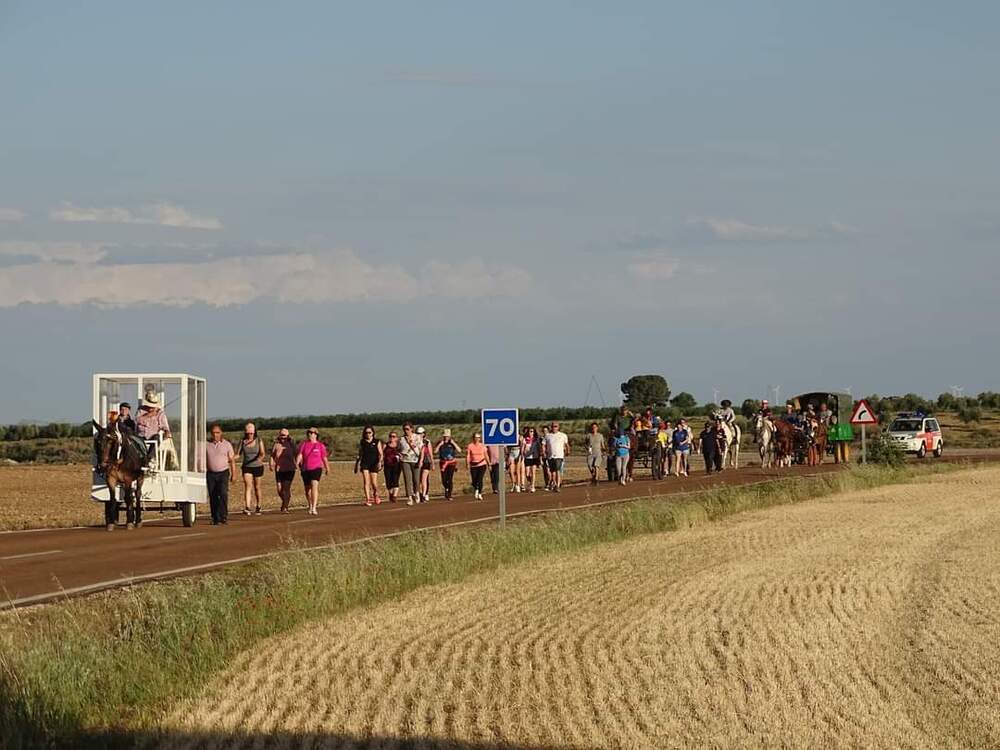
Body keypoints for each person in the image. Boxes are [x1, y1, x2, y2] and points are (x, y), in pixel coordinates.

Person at [204, 424, 236, 525]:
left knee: (223, 493)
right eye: (213, 433)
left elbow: (232, 460)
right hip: (211, 474)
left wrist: (234, 474)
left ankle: (223, 516)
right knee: (213, 495)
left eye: (217, 432)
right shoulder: (206, 444)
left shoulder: (227, 445)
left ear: (221, 433)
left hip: (223, 472)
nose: (215, 435)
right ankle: (215, 517)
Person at [296, 428, 330, 515]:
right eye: (309, 432)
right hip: (305, 468)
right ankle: (310, 505)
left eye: (312, 433)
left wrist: (327, 468)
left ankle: (314, 507)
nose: (310, 434)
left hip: (317, 468)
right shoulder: (303, 444)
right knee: (307, 490)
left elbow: (324, 458)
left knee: (314, 485)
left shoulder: (320, 446)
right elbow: (300, 455)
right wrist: (296, 463)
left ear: (316, 434)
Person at [237, 422, 266, 515]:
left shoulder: (258, 440)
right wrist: (229, 459)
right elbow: (238, 454)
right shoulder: (242, 442)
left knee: (257, 487)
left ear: (254, 432)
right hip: (247, 467)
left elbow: (262, 453)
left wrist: (259, 458)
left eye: (251, 433)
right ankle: (247, 507)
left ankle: (259, 505)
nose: (250, 435)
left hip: (257, 466)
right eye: (248, 433)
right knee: (248, 486)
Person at [136, 390, 171, 462]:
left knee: (156, 437)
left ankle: (149, 458)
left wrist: (166, 432)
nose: (151, 408)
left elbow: (165, 426)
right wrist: (148, 415)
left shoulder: (160, 413)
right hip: (141, 436)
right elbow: (136, 420)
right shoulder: (141, 410)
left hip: (152, 435)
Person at [269, 428, 297, 513]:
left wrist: (298, 463)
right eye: (281, 435)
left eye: (284, 435)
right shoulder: (276, 444)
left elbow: (297, 454)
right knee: (279, 489)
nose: (282, 437)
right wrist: (271, 464)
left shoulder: (291, 444)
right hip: (279, 469)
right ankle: (286, 500)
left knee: (285, 488)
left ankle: (285, 507)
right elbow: (272, 455)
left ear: (288, 436)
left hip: (289, 469)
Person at [355, 426, 383, 507]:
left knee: (374, 483)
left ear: (373, 433)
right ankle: (368, 498)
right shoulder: (362, 442)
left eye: (369, 432)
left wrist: (380, 462)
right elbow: (360, 453)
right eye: (366, 433)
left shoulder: (377, 441)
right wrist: (357, 464)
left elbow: (380, 453)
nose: (368, 434)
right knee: (366, 482)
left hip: (374, 463)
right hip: (365, 463)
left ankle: (376, 494)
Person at [434, 429, 461, 501]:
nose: (446, 438)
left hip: (451, 463)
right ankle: (446, 488)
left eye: (447, 436)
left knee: (450, 478)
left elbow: (459, 450)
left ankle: (449, 494)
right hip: (443, 463)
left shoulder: (452, 443)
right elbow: (435, 451)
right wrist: (440, 444)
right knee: (444, 479)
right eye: (445, 436)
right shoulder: (440, 443)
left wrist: (454, 443)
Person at [399, 423, 422, 505]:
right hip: (405, 461)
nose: (406, 431)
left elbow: (421, 449)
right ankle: (409, 497)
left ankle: (417, 493)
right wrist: (400, 455)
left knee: (416, 479)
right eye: (404, 429)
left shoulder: (417, 437)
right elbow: (399, 449)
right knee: (407, 479)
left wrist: (421, 460)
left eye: (407, 429)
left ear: (412, 429)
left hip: (415, 460)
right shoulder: (401, 439)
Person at [544, 421, 570, 492]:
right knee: (552, 472)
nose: (554, 428)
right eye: (553, 426)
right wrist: (543, 452)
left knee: (557, 470)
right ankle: (555, 484)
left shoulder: (563, 435)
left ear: (558, 427)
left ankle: (557, 485)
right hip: (550, 456)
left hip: (559, 455)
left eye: (555, 426)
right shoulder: (548, 436)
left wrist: (568, 451)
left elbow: (566, 444)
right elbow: (544, 444)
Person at [465, 431, 489, 500]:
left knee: (480, 478)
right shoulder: (470, 446)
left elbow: (486, 455)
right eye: (475, 437)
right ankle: (476, 489)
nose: (477, 439)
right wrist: (467, 463)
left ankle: (480, 493)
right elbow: (468, 455)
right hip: (473, 465)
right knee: (474, 480)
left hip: (482, 464)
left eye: (478, 438)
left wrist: (489, 463)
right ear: (473, 438)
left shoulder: (482, 446)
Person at [383, 431, 403, 503]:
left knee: (395, 480)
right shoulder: (386, 445)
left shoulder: (399, 445)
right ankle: (391, 494)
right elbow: (382, 454)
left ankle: (394, 496)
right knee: (388, 481)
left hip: (396, 465)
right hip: (387, 465)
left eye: (394, 436)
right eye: (390, 436)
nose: (392, 438)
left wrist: (400, 456)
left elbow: (402, 453)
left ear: (396, 438)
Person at [417, 426, 434, 502]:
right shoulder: (415, 441)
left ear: (424, 434)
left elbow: (430, 453)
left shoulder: (427, 442)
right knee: (418, 480)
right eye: (418, 433)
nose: (419, 435)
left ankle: (424, 494)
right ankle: (419, 493)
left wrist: (432, 463)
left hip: (426, 462)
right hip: (417, 462)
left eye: (421, 433)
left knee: (424, 479)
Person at [522, 427, 540, 492]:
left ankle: (533, 486)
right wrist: (523, 453)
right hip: (527, 457)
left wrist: (539, 457)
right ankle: (530, 482)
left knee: (533, 472)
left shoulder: (536, 440)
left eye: (532, 431)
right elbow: (523, 448)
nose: (531, 433)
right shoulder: (525, 439)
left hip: (534, 457)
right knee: (527, 473)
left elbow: (538, 448)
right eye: (530, 431)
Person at [539, 425, 552, 489]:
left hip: (549, 456)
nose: (545, 432)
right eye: (544, 431)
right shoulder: (541, 438)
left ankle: (550, 483)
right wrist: (540, 457)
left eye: (546, 431)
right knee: (545, 471)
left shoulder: (550, 437)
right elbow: (540, 448)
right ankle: (547, 483)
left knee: (548, 470)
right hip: (543, 456)